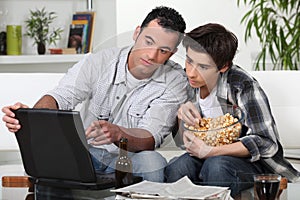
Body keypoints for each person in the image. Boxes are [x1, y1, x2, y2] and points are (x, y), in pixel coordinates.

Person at [2, 6, 190, 182]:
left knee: (153, 162)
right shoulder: (99, 61)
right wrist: (33, 118)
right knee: (49, 156)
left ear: (172, 54)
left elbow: (150, 137)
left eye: (163, 51)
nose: (151, 55)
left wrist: (119, 134)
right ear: (137, 33)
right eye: (148, 42)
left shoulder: (175, 81)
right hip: (85, 153)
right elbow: (60, 97)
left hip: (132, 159)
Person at [164, 23, 300, 198]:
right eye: (189, 61)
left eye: (203, 67)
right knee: (178, 168)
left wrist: (211, 152)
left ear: (223, 67)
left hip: (253, 164)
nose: (191, 73)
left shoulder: (242, 85)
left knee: (216, 166)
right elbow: (183, 143)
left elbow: (267, 142)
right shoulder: (186, 84)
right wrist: (182, 120)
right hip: (206, 156)